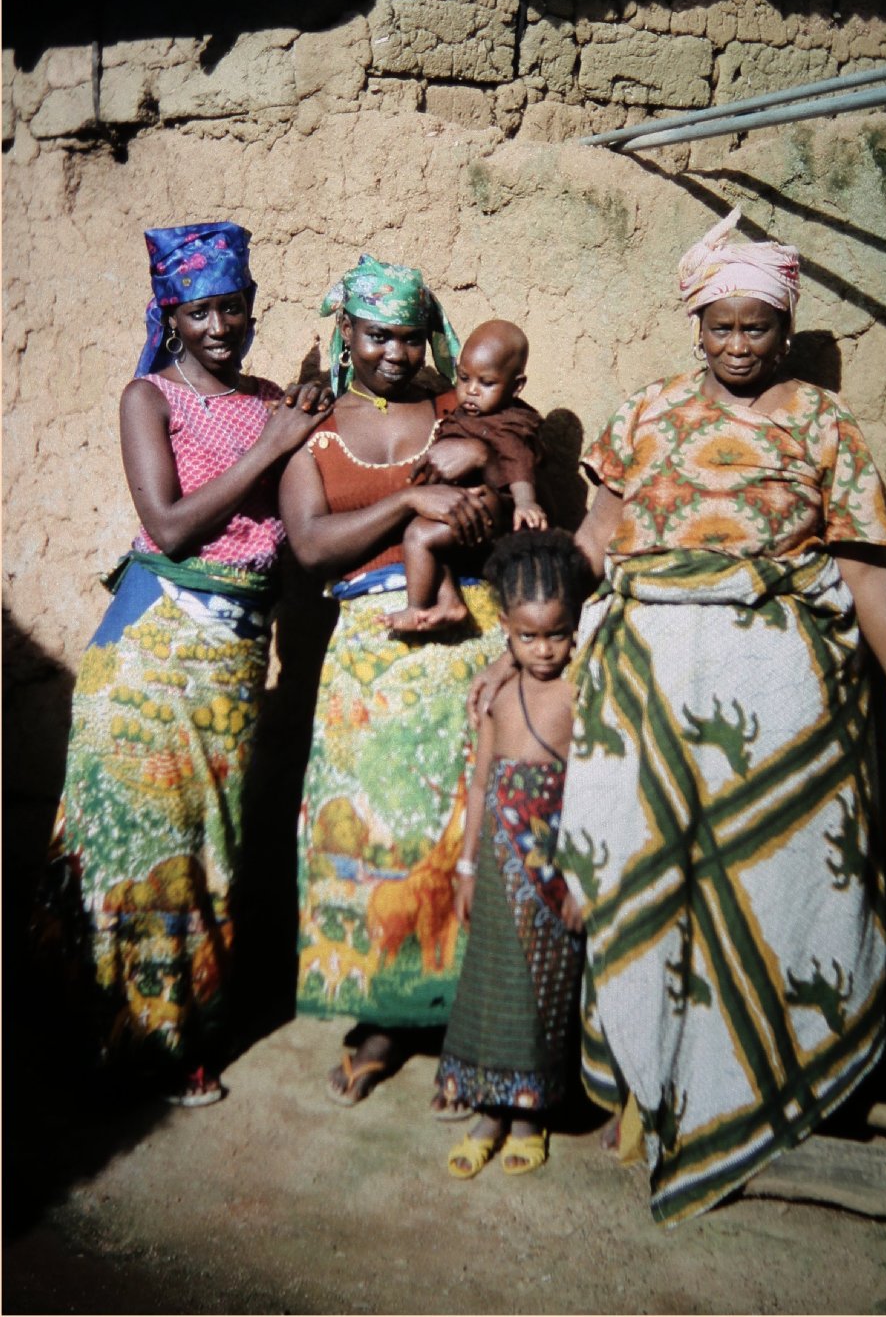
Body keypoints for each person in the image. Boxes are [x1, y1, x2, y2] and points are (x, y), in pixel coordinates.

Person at [552, 209, 886, 1225]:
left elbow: (865, 571)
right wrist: (541, 641)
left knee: (781, 892)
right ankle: (652, 1090)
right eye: (719, 329)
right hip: (648, 683)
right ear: (694, 324)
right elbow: (597, 532)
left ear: (785, 328)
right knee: (647, 877)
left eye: (755, 331)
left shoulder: (823, 426)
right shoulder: (643, 413)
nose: (736, 348)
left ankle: (768, 1093)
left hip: (779, 697)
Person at [33, 222, 331, 1106]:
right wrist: (272, 448)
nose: (220, 326)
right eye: (200, 310)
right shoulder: (148, 397)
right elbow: (167, 525)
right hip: (150, 653)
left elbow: (301, 535)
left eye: (233, 307)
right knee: (139, 843)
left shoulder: (272, 400)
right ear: (172, 313)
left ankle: (178, 1029)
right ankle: (117, 1039)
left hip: (233, 657)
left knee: (209, 848)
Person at [280, 250, 505, 1110]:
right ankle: (379, 1022)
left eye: (411, 339)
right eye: (378, 336)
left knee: (461, 839)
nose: (396, 355)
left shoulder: (461, 411)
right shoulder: (313, 427)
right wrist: (409, 505)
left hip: (462, 645)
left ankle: (465, 1024)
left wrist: (476, 502)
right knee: (369, 836)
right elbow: (311, 546)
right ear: (348, 330)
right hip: (367, 659)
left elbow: (496, 502)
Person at [438, 529, 587, 1179]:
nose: (544, 649)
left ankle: (530, 1114)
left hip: (555, 860)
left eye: (556, 634)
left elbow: (595, 787)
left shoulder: (583, 693)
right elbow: (480, 781)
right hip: (497, 856)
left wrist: (584, 877)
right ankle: (487, 1111)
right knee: (494, 977)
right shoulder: (498, 695)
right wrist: (466, 866)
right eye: (528, 637)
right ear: (505, 629)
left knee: (546, 986)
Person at [383, 319, 546, 635]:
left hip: (489, 507)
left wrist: (526, 503)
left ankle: (417, 608)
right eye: (464, 378)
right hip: (461, 502)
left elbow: (519, 463)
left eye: (486, 383)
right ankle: (451, 603)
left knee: (419, 536)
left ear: (516, 385)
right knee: (426, 536)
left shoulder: (508, 423)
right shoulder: (463, 414)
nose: (471, 391)